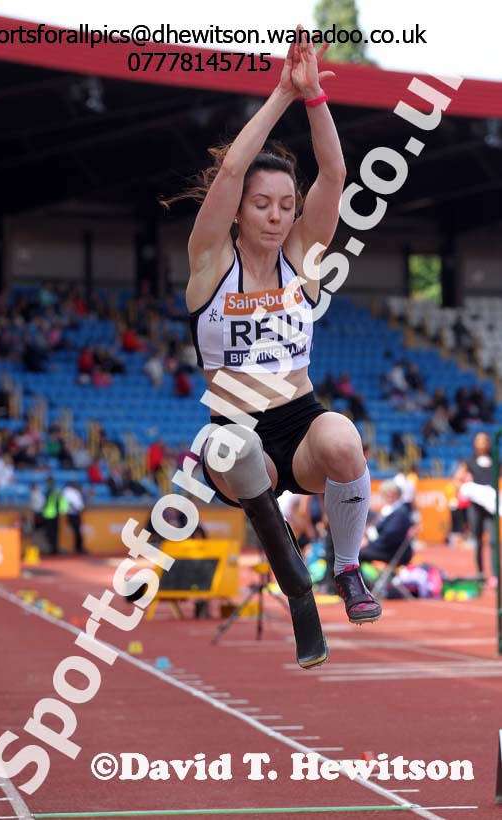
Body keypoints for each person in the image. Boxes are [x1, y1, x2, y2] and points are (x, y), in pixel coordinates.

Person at [166, 28, 381, 668]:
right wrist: (281, 93)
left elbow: (337, 173)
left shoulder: (303, 264)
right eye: (262, 204)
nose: (276, 214)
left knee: (343, 436)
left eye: (286, 205)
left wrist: (315, 100)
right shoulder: (209, 264)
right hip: (236, 437)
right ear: (238, 211)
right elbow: (233, 168)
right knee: (234, 446)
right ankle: (298, 593)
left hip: (299, 420)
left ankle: (346, 569)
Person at [464, 432, 498, 581]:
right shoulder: (469, 461)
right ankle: (480, 573)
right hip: (475, 506)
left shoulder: (496, 459)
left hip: (491, 505)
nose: (482, 443)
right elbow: (458, 479)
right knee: (477, 540)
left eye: (485, 440)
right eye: (479, 440)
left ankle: (495, 574)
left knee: (494, 540)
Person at [359, 480, 414, 566]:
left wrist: (369, 544)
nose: (389, 496)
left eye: (392, 493)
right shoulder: (389, 510)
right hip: (386, 547)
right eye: (386, 494)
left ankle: (362, 579)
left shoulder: (400, 513)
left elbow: (389, 537)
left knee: (358, 554)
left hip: (393, 552)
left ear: (398, 495)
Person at [42, 477, 69, 555]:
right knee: (52, 533)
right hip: (53, 514)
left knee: (52, 533)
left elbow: (60, 502)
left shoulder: (51, 492)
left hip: (50, 514)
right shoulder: (54, 491)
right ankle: (53, 549)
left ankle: (53, 549)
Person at [62, 482, 86, 554]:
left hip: (76, 513)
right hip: (72, 514)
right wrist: (76, 508)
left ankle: (79, 547)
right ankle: (78, 548)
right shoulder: (68, 492)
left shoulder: (74, 492)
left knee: (78, 531)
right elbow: (70, 502)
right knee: (77, 531)